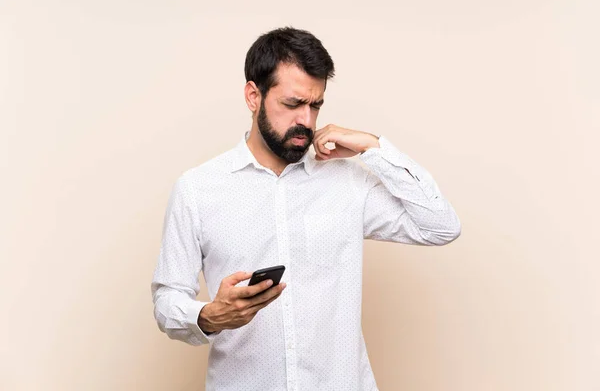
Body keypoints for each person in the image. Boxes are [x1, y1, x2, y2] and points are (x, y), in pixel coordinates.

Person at [151, 27, 461, 391]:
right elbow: (166, 299)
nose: (307, 121)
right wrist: (209, 316)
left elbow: (440, 225)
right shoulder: (198, 189)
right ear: (253, 96)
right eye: (293, 104)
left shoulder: (346, 181)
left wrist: (372, 147)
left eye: (315, 105)